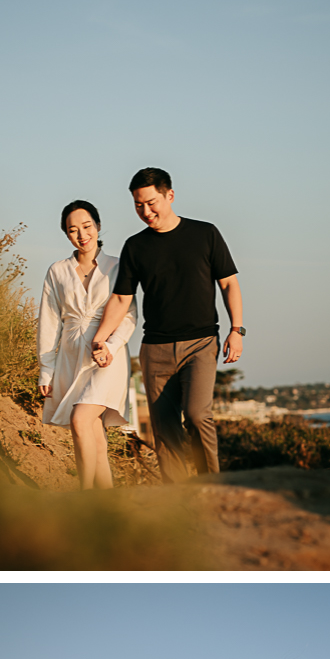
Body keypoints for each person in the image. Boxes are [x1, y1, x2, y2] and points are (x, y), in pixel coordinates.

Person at [88, 167, 244, 484]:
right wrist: (100, 339)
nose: (145, 211)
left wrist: (236, 329)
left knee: (198, 415)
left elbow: (229, 283)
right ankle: (177, 500)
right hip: (155, 350)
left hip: (200, 344)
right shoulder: (136, 247)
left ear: (169, 195)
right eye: (137, 205)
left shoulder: (205, 234)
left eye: (151, 202)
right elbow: (120, 299)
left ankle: (212, 487)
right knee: (165, 428)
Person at [37, 200, 136, 489]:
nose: (82, 234)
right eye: (73, 230)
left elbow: (129, 315)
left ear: (98, 226)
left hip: (107, 356)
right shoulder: (57, 271)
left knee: (80, 419)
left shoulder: (118, 267)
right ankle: (106, 505)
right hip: (70, 357)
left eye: (87, 226)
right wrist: (46, 369)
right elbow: (49, 321)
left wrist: (113, 345)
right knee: (93, 434)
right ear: (66, 234)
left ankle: (83, 496)